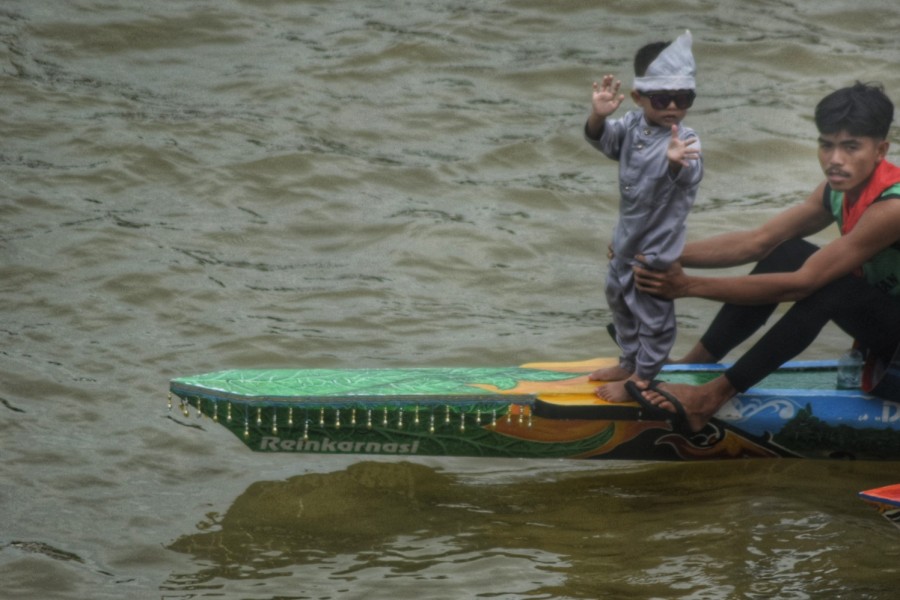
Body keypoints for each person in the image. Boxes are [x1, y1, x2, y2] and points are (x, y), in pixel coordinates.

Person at [629, 81, 900, 433]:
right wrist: (655, 254)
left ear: (880, 150)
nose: (835, 160)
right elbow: (757, 242)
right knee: (787, 251)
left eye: (851, 147)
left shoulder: (892, 207)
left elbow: (802, 285)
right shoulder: (837, 190)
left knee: (832, 287)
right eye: (826, 145)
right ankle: (691, 366)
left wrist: (687, 286)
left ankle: (711, 397)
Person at [583, 30, 703, 402]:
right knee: (618, 298)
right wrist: (598, 117)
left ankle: (645, 378)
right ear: (638, 97)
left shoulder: (686, 140)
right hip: (625, 239)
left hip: (655, 246)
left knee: (651, 312)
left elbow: (687, 176)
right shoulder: (632, 126)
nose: (672, 107)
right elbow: (605, 142)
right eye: (662, 98)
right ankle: (629, 361)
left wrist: (674, 163)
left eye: (682, 99)